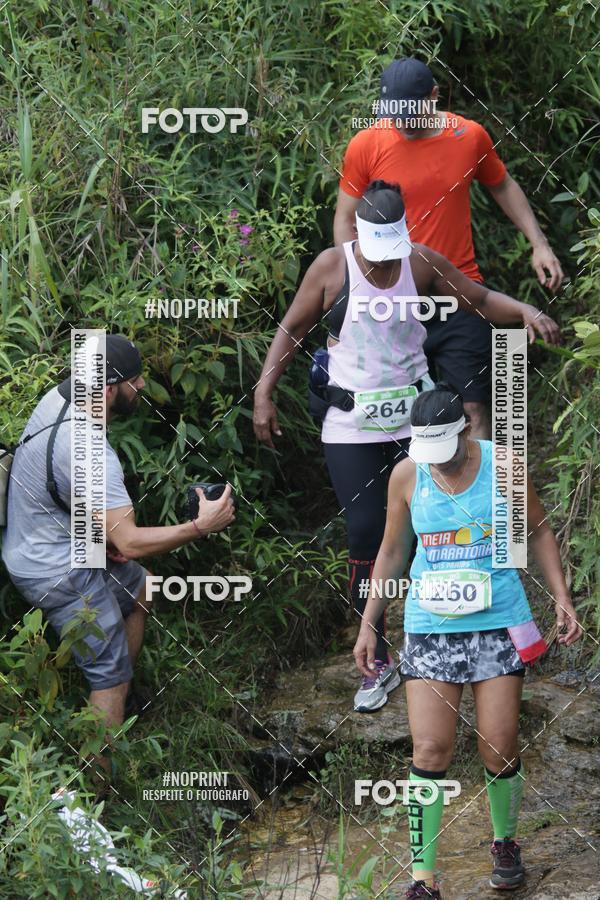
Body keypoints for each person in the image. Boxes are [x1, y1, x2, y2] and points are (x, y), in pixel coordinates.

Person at [253, 180, 559, 714]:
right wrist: (263, 393)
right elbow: (292, 329)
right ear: (358, 232)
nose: (384, 260)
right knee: (366, 532)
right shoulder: (331, 268)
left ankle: (448, 634)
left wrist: (525, 311)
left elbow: (478, 299)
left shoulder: (420, 263)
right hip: (351, 426)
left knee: (424, 525)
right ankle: (375, 652)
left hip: (416, 425)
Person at [353, 384, 582, 897]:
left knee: (498, 747)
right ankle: (422, 879)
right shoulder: (407, 474)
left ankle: (504, 842)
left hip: (498, 622)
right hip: (430, 627)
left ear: (466, 428)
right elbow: (391, 551)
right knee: (430, 748)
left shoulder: (504, 466)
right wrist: (370, 622)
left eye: (446, 448)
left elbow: (539, 530)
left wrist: (562, 597)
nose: (437, 460)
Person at [2, 334, 235, 783]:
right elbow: (129, 543)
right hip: (55, 568)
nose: (143, 385)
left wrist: (99, 532)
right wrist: (199, 527)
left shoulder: (60, 398)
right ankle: (96, 794)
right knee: (107, 676)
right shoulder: (90, 452)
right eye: (135, 380)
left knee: (143, 586)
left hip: (42, 537)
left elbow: (61, 487)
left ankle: (120, 704)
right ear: (109, 390)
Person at [334, 57, 564, 438]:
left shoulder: (468, 137)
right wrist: (357, 285)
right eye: (394, 114)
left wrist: (539, 244)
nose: (402, 122)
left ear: (434, 96)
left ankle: (486, 477)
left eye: (411, 112)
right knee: (404, 414)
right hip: (394, 301)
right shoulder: (366, 144)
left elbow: (502, 184)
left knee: (474, 408)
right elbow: (345, 218)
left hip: (460, 293)